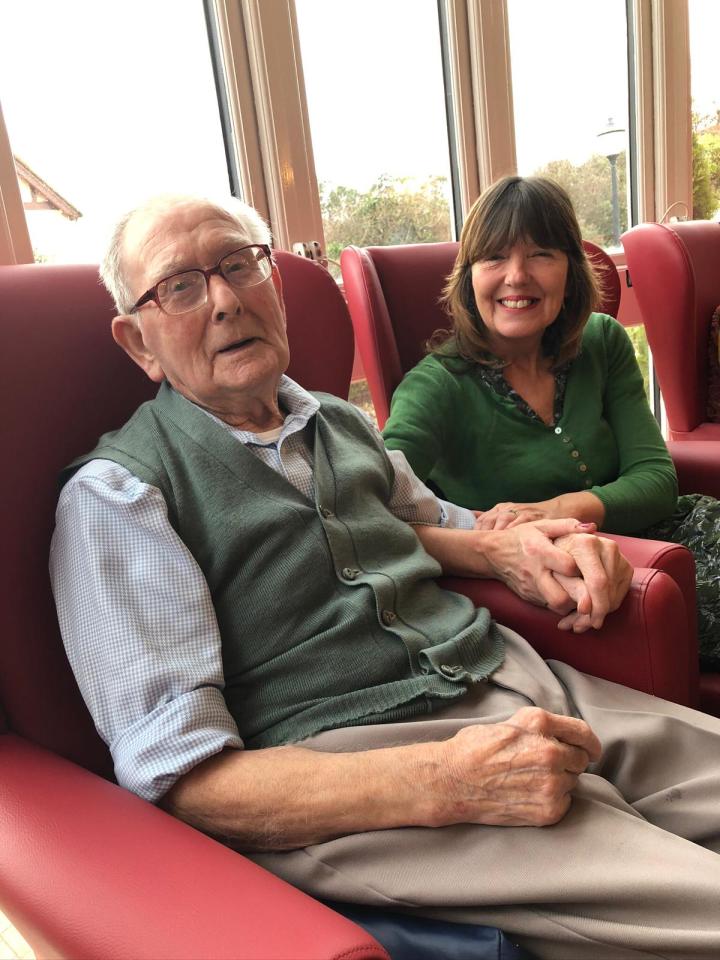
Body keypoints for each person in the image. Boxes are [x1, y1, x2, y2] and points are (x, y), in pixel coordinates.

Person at [50, 192, 720, 960]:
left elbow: (433, 522)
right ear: (138, 342)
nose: (228, 299)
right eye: (181, 286)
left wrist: (534, 546)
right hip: (358, 767)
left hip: (513, 675)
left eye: (240, 264)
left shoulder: (334, 420)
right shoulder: (120, 497)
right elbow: (183, 780)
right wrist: (441, 780)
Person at [383, 174, 720, 669]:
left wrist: (548, 509)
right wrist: (490, 545)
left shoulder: (601, 341)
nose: (517, 276)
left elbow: (656, 481)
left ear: (570, 269)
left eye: (541, 253)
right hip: (579, 575)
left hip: (675, 534)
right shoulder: (437, 384)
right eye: (494, 257)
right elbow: (372, 513)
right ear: (470, 276)